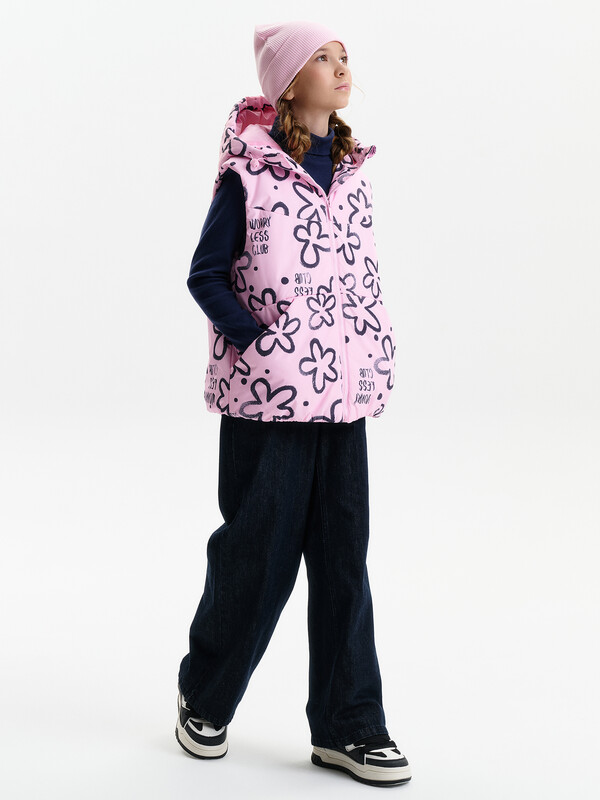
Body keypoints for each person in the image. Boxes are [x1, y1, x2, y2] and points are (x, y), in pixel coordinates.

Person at [175, 20, 412, 788]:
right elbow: (206, 275)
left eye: (344, 56)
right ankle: (205, 695)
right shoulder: (249, 173)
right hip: (269, 400)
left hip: (342, 399)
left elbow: (359, 278)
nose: (342, 67)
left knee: (344, 563)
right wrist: (261, 343)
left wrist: (374, 343)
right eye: (322, 58)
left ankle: (350, 726)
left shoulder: (352, 173)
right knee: (257, 558)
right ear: (286, 82)